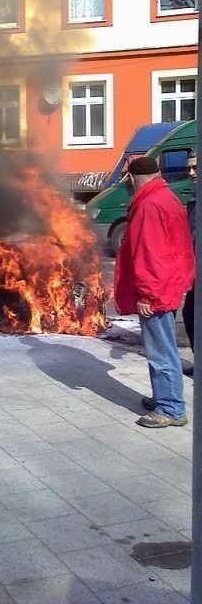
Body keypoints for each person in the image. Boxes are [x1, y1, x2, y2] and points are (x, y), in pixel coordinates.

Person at [114, 156, 194, 428]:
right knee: (164, 346)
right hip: (169, 283)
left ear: (135, 179)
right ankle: (165, 396)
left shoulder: (148, 205)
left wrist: (147, 296)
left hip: (157, 289)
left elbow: (150, 255)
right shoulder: (166, 197)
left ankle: (171, 408)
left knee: (160, 350)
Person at [181, 151, 196, 373]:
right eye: (189, 168)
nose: (192, 173)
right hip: (195, 271)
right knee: (190, 313)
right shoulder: (194, 199)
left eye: (196, 167)